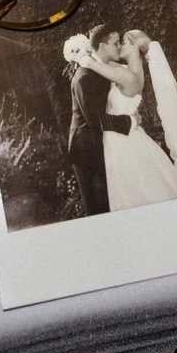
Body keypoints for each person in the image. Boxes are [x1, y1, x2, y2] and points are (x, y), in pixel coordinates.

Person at [68, 24, 177, 210]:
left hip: (120, 139)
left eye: (121, 42)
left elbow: (94, 66)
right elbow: (94, 117)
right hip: (101, 142)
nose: (119, 45)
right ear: (104, 45)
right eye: (116, 42)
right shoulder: (113, 70)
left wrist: (83, 57)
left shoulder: (124, 75)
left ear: (134, 48)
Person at [63, 27, 117, 216]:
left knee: (105, 199)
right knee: (96, 202)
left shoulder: (91, 73)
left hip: (92, 143)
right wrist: (126, 122)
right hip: (85, 148)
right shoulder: (83, 77)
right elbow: (94, 120)